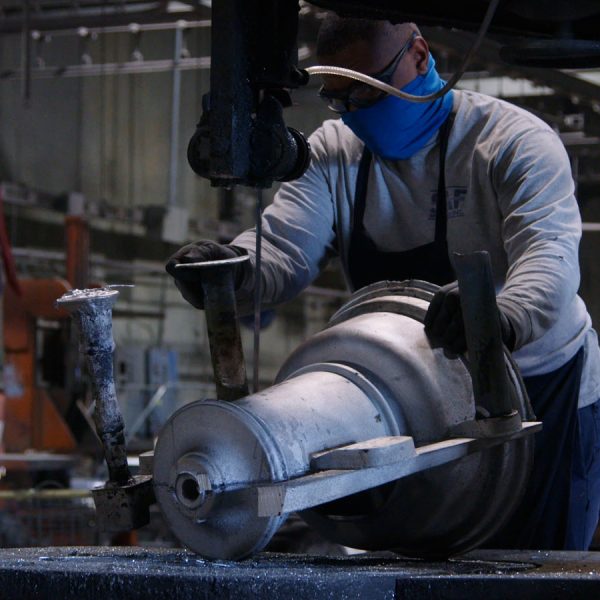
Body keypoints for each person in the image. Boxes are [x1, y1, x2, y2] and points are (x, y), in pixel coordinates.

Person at [166, 16, 600, 550]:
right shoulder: (333, 152)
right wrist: (234, 270)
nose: (355, 116)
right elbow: (282, 246)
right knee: (425, 562)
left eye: (368, 94)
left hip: (538, 390)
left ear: (419, 55)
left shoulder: (513, 142)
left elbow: (549, 256)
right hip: (416, 399)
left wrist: (502, 316)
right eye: (339, 100)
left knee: (536, 567)